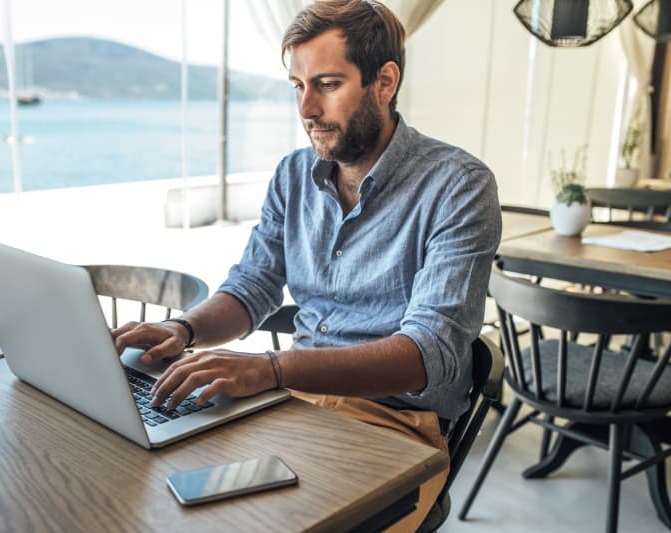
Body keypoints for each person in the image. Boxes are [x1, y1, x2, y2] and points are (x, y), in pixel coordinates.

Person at [113, 0, 501, 529]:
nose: (306, 110)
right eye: (298, 86)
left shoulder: (458, 185)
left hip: (393, 424)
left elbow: (427, 354)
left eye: (327, 84)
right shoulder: (294, 175)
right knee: (147, 487)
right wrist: (183, 329)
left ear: (384, 81)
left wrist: (269, 369)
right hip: (292, 403)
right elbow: (253, 286)